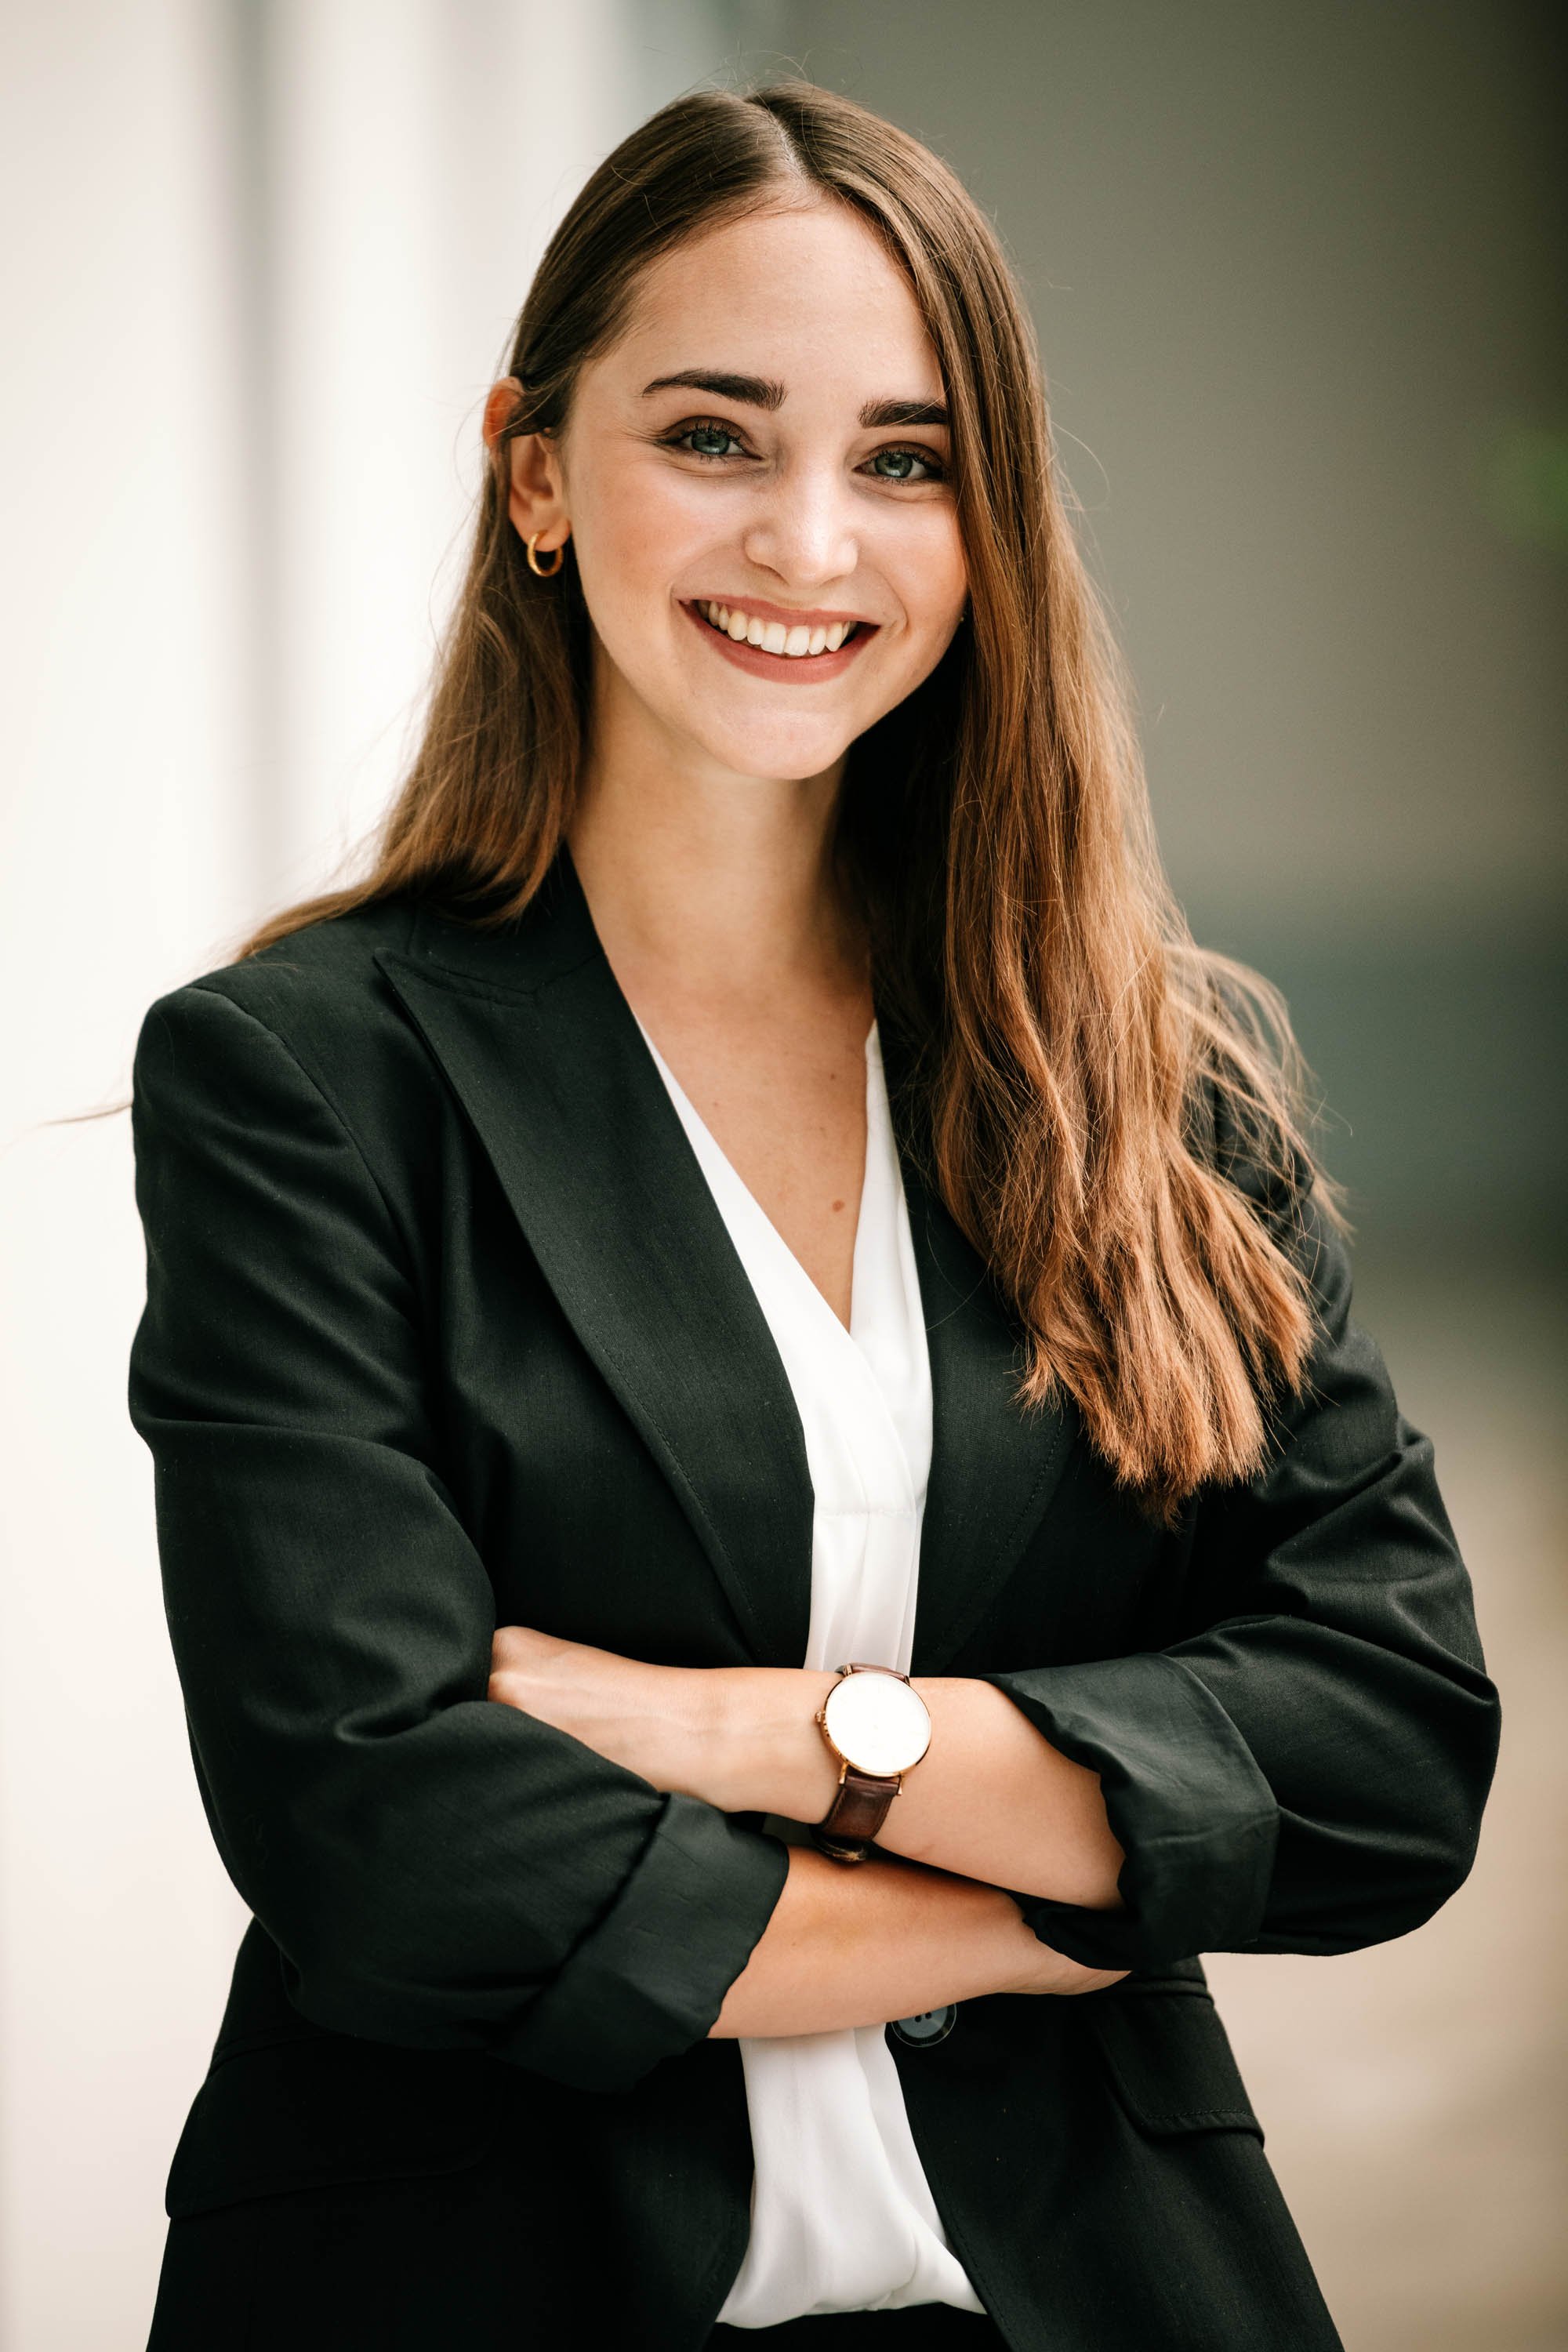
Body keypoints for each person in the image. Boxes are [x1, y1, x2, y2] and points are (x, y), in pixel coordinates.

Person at [129, 82, 1499, 2352]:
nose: (810, 539)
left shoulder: (1146, 1078)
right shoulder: (308, 1080)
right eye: (713, 435)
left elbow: (1387, 1744)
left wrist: (787, 1741)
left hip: (1086, 2285)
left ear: (988, 523)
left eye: (905, 459)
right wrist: (1075, 1896)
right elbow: (390, 1844)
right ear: (537, 474)